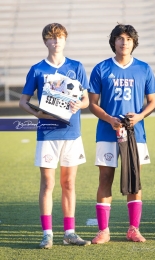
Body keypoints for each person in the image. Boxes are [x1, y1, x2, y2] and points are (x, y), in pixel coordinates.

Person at [19, 23, 91, 248]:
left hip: (72, 133)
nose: (56, 41)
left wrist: (78, 105)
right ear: (45, 42)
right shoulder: (37, 69)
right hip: (47, 133)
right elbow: (23, 101)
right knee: (48, 183)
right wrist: (38, 113)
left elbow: (86, 100)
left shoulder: (77, 66)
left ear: (65, 39)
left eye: (59, 37)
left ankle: (69, 232)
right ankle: (47, 233)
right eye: (51, 37)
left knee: (69, 183)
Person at [88, 24, 155, 244]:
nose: (124, 42)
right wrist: (109, 119)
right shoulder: (101, 68)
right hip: (107, 132)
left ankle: (133, 229)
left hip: (135, 133)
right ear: (114, 42)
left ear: (134, 42)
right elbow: (92, 104)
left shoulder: (144, 68)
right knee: (105, 177)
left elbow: (152, 102)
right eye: (119, 38)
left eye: (128, 38)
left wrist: (138, 117)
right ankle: (104, 231)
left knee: (134, 179)